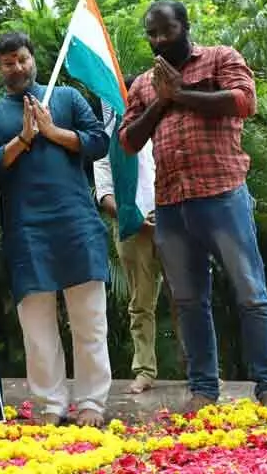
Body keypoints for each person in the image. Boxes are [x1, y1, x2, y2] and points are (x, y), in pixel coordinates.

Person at [119, 0, 267, 413]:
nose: (159, 40)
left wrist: (183, 94)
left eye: (166, 31)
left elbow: (244, 101)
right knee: (189, 300)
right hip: (172, 204)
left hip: (223, 194)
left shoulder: (219, 59)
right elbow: (128, 141)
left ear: (186, 26)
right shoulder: (143, 83)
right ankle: (203, 390)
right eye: (152, 34)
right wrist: (162, 100)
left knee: (250, 293)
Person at [0, 32, 111, 427]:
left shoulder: (65, 99)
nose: (17, 67)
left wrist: (53, 133)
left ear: (33, 60)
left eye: (22, 59)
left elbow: (99, 141)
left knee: (89, 322)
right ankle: (50, 407)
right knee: (37, 328)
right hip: (27, 233)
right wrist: (23, 139)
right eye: (8, 62)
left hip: (77, 225)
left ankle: (91, 405)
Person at [93, 76, 173, 395]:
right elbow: (104, 195)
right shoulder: (107, 142)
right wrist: (136, 219)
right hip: (132, 231)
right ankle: (144, 371)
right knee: (141, 305)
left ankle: (202, 371)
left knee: (188, 300)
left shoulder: (162, 131)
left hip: (173, 225)